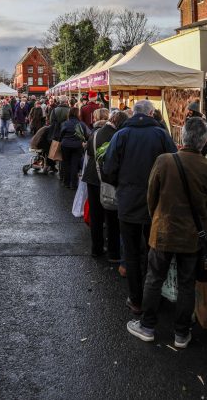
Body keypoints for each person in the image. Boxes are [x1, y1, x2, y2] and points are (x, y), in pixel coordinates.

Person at [127, 118, 207, 348]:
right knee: (186, 283)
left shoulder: (164, 161)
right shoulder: (204, 166)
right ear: (203, 142)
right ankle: (181, 333)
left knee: (154, 279)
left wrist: (157, 219)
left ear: (183, 137)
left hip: (163, 231)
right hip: (192, 236)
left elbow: (151, 196)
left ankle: (147, 326)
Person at [103, 100, 177, 314]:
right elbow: (174, 164)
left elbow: (109, 169)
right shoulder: (161, 134)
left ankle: (136, 300)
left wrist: (122, 186)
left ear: (134, 114)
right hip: (156, 203)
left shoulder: (121, 135)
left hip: (127, 202)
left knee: (133, 252)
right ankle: (152, 298)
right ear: (152, 113)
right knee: (154, 250)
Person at [82, 110, 128, 260]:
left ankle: (96, 248)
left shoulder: (96, 133)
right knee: (112, 217)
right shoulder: (119, 136)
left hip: (92, 178)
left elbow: (89, 151)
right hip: (109, 180)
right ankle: (113, 253)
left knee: (96, 217)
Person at [60, 107, 89, 189]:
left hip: (65, 145)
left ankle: (66, 182)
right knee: (74, 164)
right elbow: (86, 135)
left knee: (66, 163)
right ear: (77, 114)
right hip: (78, 145)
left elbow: (61, 134)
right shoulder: (81, 124)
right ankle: (73, 184)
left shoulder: (65, 123)